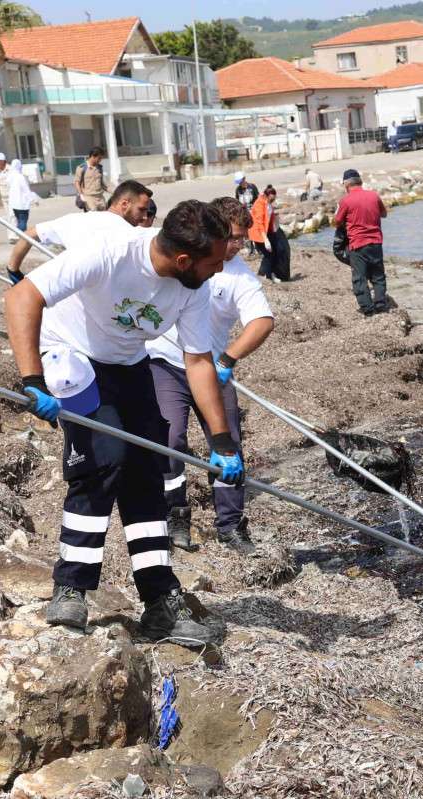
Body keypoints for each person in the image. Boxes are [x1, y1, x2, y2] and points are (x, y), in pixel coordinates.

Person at [3, 199, 243, 643]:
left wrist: (223, 440)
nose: (219, 270)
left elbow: (198, 361)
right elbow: (22, 296)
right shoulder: (111, 252)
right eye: (213, 262)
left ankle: (159, 601)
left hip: (130, 362)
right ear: (184, 259)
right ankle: (71, 587)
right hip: (72, 355)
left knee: (147, 473)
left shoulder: (194, 287)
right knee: (102, 461)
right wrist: (32, 379)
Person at [147, 197, 273, 553]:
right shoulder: (190, 258)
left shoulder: (239, 277)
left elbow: (262, 322)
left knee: (228, 445)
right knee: (170, 440)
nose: (235, 246)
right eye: (231, 237)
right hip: (166, 363)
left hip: (211, 369)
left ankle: (230, 525)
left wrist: (229, 359)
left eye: (241, 238)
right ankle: (176, 516)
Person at [6, 180, 152, 284]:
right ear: (125, 204)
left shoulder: (76, 220)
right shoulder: (133, 235)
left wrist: (13, 271)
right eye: (141, 210)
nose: (145, 216)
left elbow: (30, 234)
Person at [333, 168, 388, 316]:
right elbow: (384, 214)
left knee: (359, 278)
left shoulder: (346, 201)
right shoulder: (374, 196)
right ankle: (381, 304)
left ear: (346, 184)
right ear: (360, 181)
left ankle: (368, 310)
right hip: (376, 242)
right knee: (378, 275)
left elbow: (337, 222)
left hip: (358, 244)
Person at [249, 185, 281, 281]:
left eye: (274, 199)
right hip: (258, 233)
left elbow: (268, 216)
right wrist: (265, 239)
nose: (273, 201)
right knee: (269, 254)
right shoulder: (259, 204)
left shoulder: (268, 202)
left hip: (266, 232)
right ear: (266, 196)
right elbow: (259, 222)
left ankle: (262, 272)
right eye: (271, 199)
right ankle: (268, 276)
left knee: (272, 252)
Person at [74, 147, 108, 212]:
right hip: (89, 198)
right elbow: (76, 182)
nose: (100, 160)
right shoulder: (81, 168)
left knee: (104, 217)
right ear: (93, 156)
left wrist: (114, 191)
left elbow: (102, 184)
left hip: (100, 198)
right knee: (92, 218)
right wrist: (81, 194)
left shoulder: (99, 168)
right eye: (99, 158)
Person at [6, 159, 34, 237]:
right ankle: (22, 237)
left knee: (19, 220)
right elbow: (26, 189)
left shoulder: (10, 177)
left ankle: (19, 235)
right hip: (22, 204)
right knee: (23, 221)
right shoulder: (20, 177)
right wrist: (33, 199)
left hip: (14, 204)